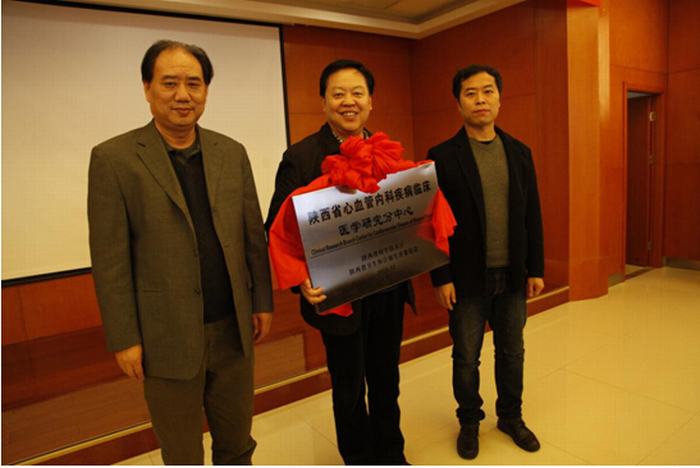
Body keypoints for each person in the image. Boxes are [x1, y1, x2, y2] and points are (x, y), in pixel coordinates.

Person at [88, 40, 273, 465]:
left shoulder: (231, 152)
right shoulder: (114, 159)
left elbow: (252, 236)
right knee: (182, 453)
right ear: (147, 88)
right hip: (164, 336)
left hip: (232, 329)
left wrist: (262, 301)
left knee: (237, 444)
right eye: (170, 83)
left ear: (206, 90)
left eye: (194, 83)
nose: (183, 95)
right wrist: (125, 338)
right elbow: (110, 260)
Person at [265, 59, 412, 465]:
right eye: (338, 94)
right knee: (348, 386)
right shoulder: (301, 157)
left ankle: (392, 453)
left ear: (370, 102)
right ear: (324, 102)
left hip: (387, 286)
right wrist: (301, 280)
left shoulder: (387, 150)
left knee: (387, 378)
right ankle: (359, 459)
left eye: (357, 93)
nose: (349, 101)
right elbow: (277, 225)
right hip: (337, 292)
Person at [427, 64, 545, 460]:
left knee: (512, 352)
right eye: (471, 93)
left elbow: (532, 214)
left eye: (488, 91)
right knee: (466, 357)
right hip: (465, 278)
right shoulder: (442, 156)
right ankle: (469, 421)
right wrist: (441, 276)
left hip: (512, 275)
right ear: (458, 103)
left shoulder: (520, 152)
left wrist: (535, 268)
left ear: (499, 98)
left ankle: (511, 417)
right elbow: (433, 222)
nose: (480, 100)